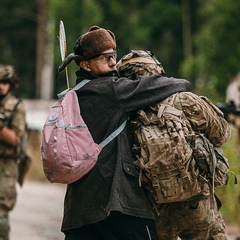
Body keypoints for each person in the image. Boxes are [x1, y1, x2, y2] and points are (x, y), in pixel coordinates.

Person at [57, 25, 191, 240]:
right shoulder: (111, 90)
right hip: (119, 207)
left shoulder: (70, 97)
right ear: (85, 64)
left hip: (78, 212)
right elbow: (170, 85)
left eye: (114, 56)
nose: (113, 63)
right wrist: (181, 81)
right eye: (105, 58)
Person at [116, 50, 230, 240]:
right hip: (198, 204)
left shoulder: (125, 114)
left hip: (154, 207)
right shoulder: (184, 100)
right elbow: (221, 136)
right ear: (157, 71)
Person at [0, 64, 26, 239]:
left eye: (4, 82)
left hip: (6, 166)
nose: (1, 85)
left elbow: (16, 139)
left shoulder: (16, 106)